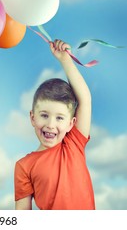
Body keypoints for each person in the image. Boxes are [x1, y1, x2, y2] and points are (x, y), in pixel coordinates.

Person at [14, 39, 95, 210]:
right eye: (44, 115)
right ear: (32, 117)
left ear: (71, 123)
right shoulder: (23, 166)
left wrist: (65, 60)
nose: (51, 124)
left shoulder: (73, 143)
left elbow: (85, 99)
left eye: (59, 118)